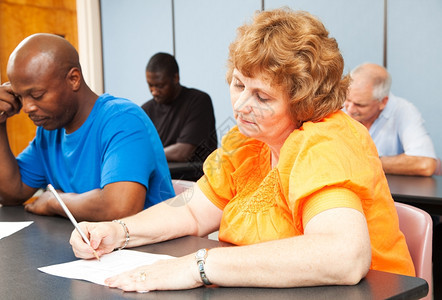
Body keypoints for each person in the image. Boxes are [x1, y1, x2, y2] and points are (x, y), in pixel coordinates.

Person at [70, 8, 414, 292]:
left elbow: (344, 256)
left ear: (303, 102)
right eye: (238, 85)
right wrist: (119, 231)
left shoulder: (325, 140)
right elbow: (191, 210)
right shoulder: (249, 141)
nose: (241, 107)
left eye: (262, 97)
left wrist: (200, 265)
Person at [0, 33, 174, 222]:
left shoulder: (123, 120)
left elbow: (120, 207)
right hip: (93, 245)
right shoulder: (49, 132)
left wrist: (56, 202)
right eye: (20, 97)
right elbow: (11, 193)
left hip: (150, 249)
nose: (27, 108)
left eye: (37, 95)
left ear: (74, 79)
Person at [344, 63, 437, 176]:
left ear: (383, 102)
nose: (349, 109)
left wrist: (365, 161)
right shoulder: (337, 105)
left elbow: (426, 164)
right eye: (347, 100)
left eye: (360, 105)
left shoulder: (404, 111)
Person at [142, 52, 217, 163]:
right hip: (160, 177)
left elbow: (183, 152)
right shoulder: (145, 110)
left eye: (160, 86)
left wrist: (149, 154)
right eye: (150, 85)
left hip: (193, 177)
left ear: (176, 78)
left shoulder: (198, 101)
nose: (154, 92)